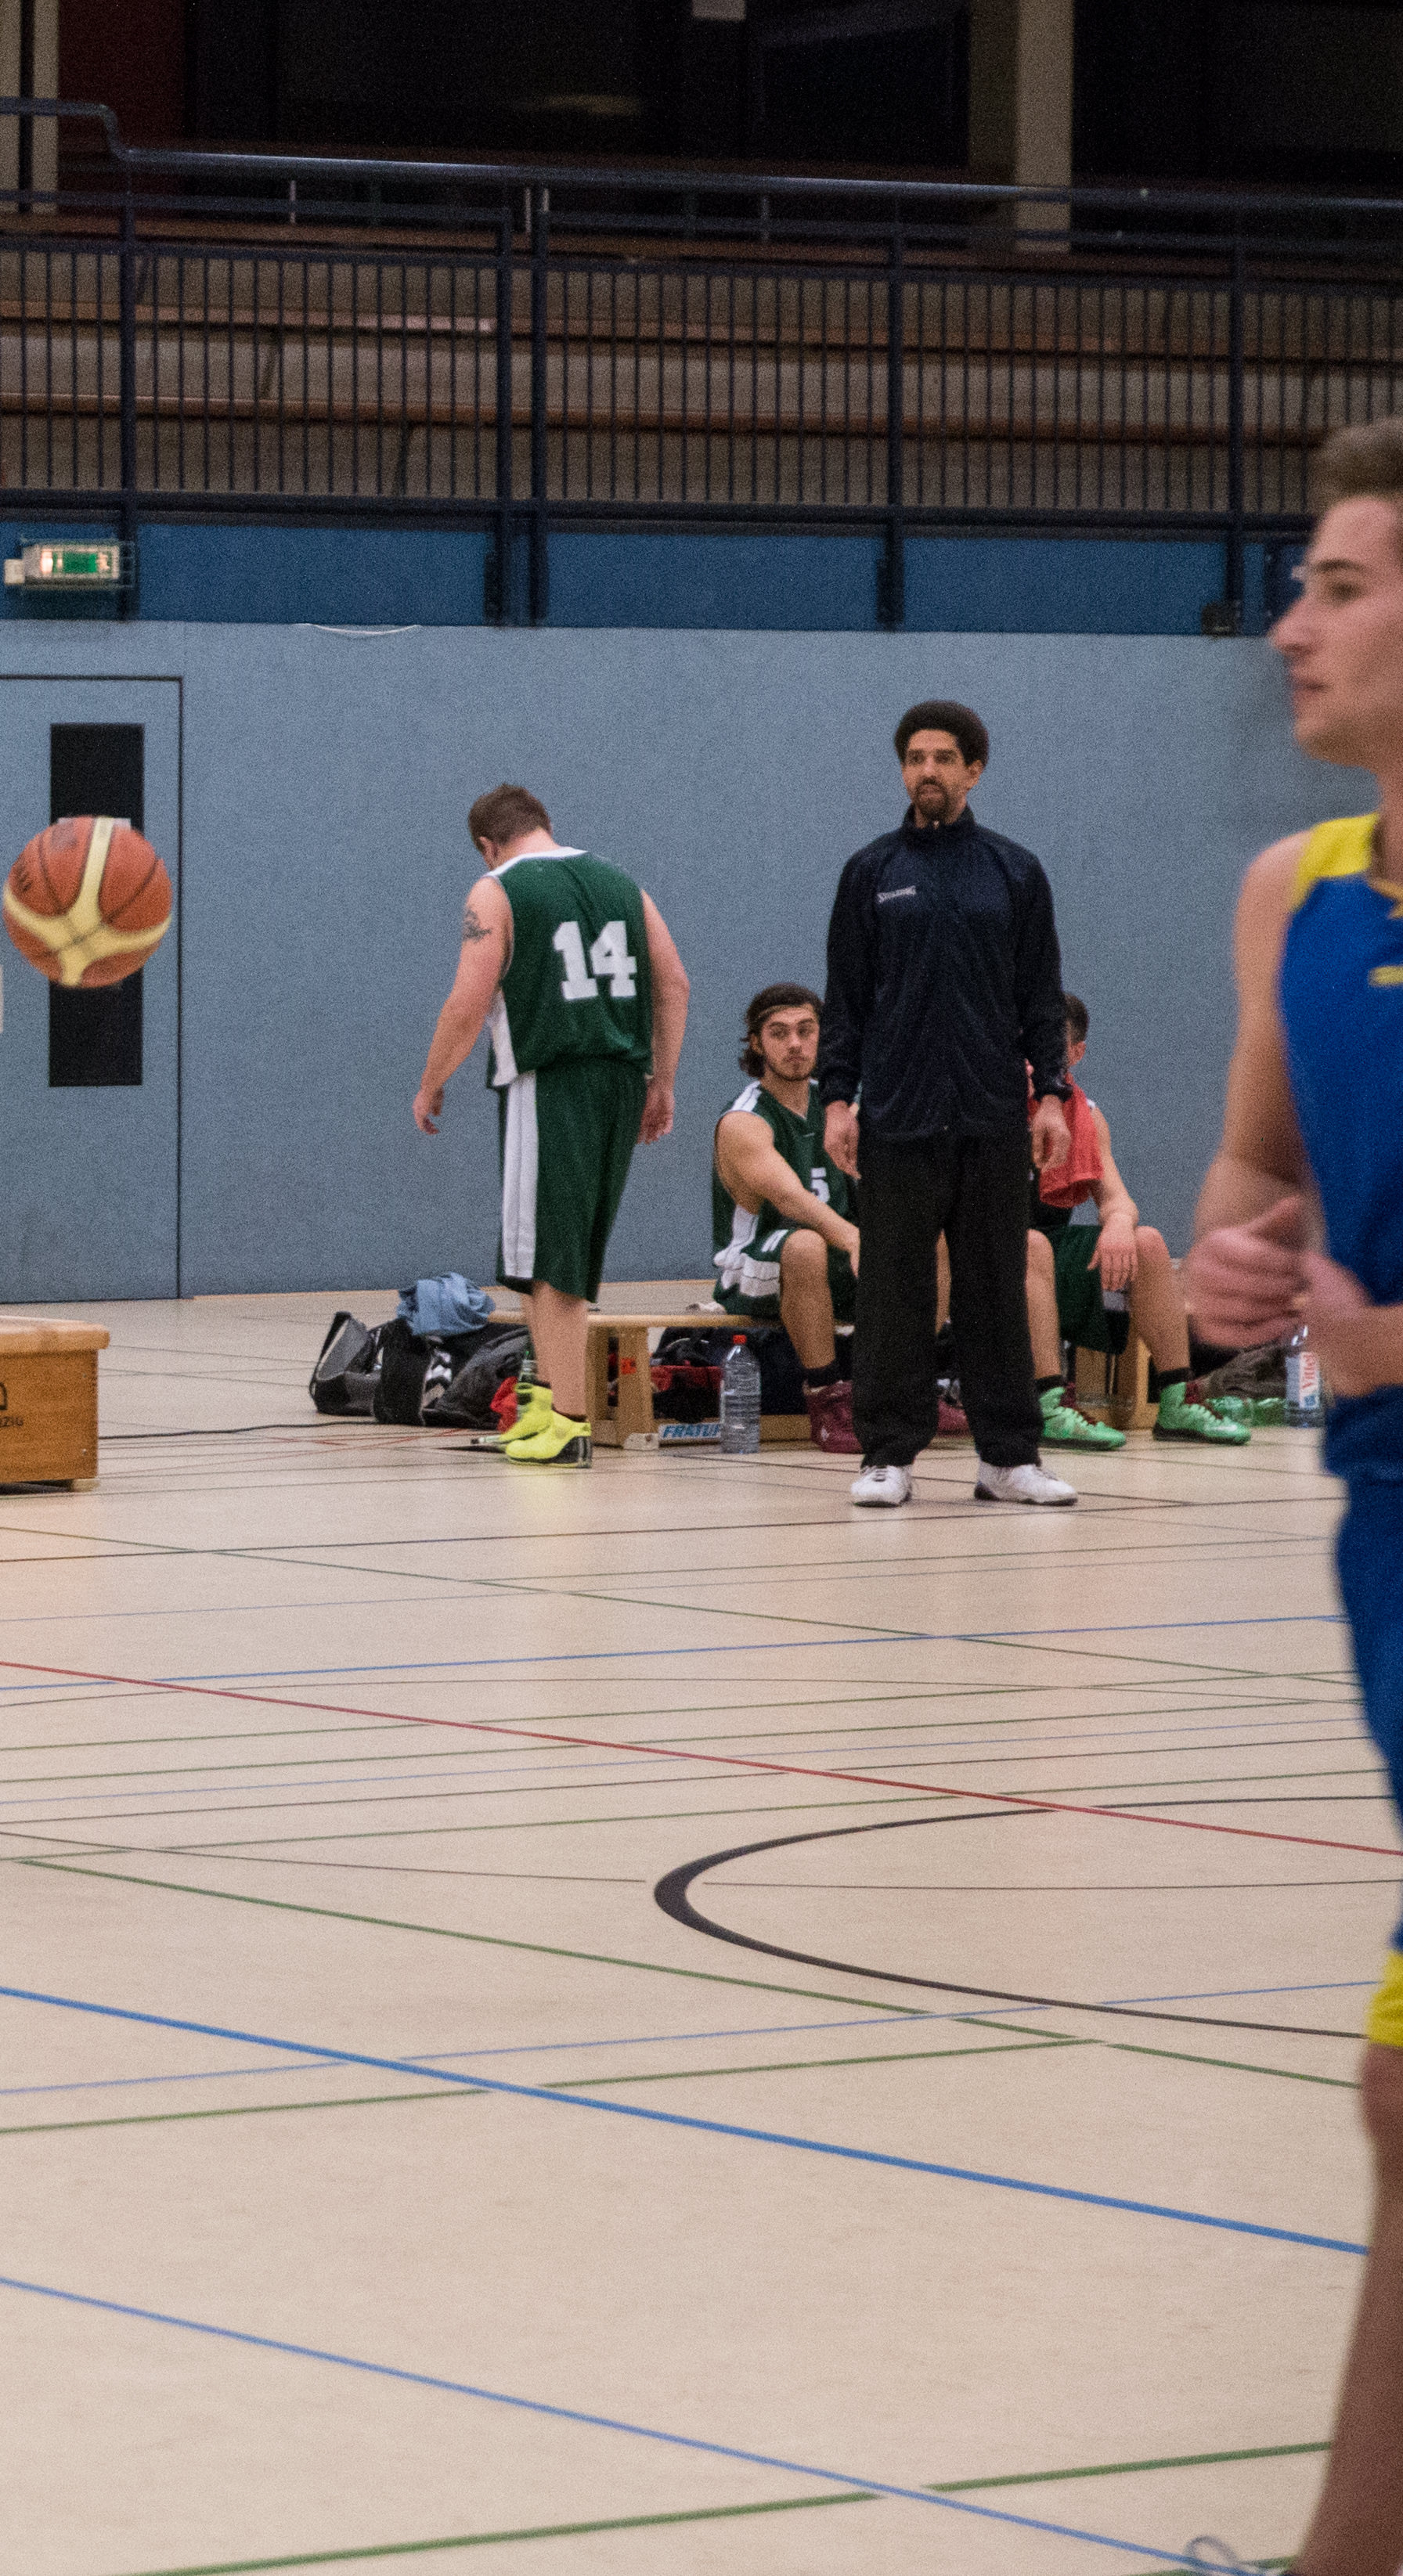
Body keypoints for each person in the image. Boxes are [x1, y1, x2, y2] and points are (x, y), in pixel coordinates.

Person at [1177, 415, 1403, 2576]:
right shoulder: (1299, 895)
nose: (1289, 624)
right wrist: (1237, 1267)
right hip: (1385, 1519)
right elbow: (1258, 1182)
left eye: (1340, 585)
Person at [817, 700, 1079, 1509]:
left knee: (995, 1287)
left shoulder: (1014, 872)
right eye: (914, 758)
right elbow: (846, 999)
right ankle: (887, 1456)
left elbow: (1041, 997)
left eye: (941, 758)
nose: (926, 771)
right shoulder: (870, 872)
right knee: (893, 1289)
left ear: (973, 770)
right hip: (897, 1117)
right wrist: (836, 1099)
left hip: (992, 1115)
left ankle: (1008, 1457)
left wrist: (1052, 1095)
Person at [409, 784, 689, 1468]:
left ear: (487, 845)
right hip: (621, 1079)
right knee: (541, 1258)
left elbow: (468, 1000)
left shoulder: (496, 890)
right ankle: (541, 1402)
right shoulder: (622, 882)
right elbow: (675, 983)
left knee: (551, 1262)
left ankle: (568, 1421)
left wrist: (432, 1079)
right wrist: (662, 1080)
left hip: (552, 1076)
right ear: (546, 823)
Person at [1019, 991, 1248, 1454]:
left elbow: (1117, 1199)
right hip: (981, 1252)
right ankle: (1047, 1405)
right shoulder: (987, 1106)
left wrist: (1119, 1224)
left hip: (1046, 1249)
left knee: (1147, 1241)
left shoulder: (1085, 1116)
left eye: (1051, 1047)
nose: (1036, 1057)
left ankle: (1177, 1399)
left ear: (1075, 1054)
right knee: (1031, 1245)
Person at [708, 981, 863, 1453]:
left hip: (838, 1253)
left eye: (806, 1030)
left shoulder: (839, 1110)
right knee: (805, 1241)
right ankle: (826, 1397)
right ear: (757, 1043)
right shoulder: (744, 1119)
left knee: (933, 1240)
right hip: (754, 1265)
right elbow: (791, 1200)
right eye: (779, 1033)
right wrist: (856, 1240)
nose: (795, 1044)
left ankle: (905, 1389)